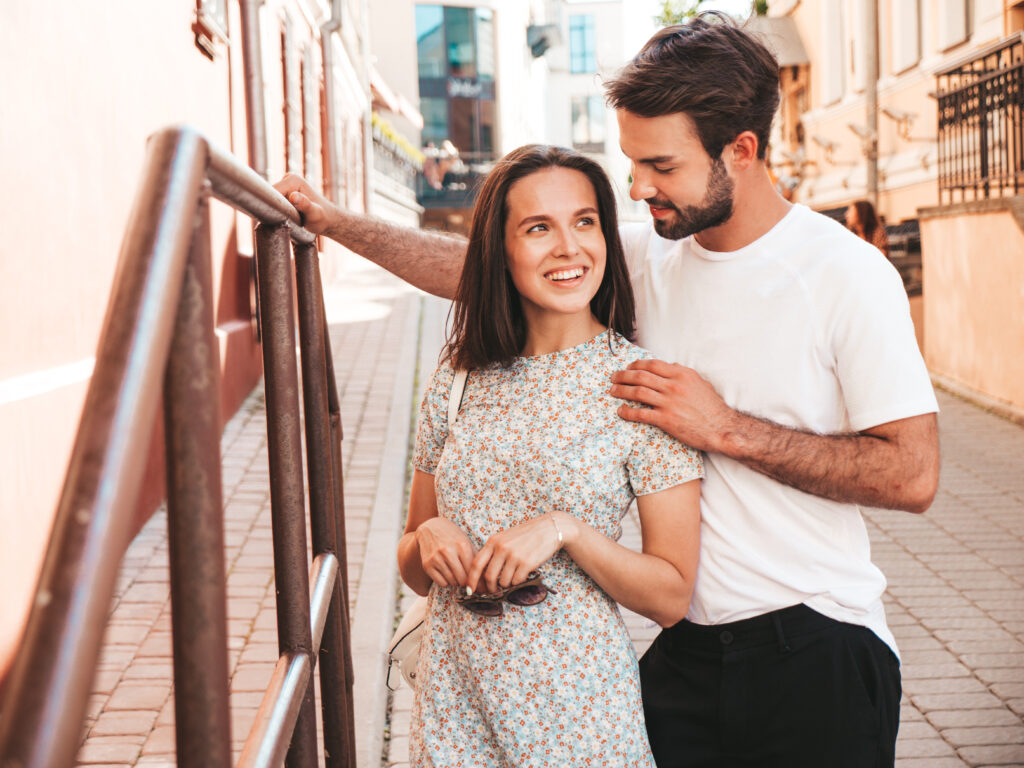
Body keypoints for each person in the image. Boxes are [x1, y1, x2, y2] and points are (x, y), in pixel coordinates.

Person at [275, 14, 940, 767]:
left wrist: (726, 429)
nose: (638, 187)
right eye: (631, 163)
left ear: (742, 151)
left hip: (817, 646)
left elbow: (913, 475)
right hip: (680, 652)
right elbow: (483, 266)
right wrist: (332, 222)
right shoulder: (650, 255)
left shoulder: (846, 275)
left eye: (660, 165)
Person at [396, 144, 703, 767]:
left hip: (581, 714)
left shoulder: (639, 385)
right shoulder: (458, 376)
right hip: (456, 707)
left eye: (585, 221)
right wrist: (428, 535)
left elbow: (671, 596)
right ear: (500, 249)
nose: (568, 248)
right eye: (539, 228)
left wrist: (566, 532)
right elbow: (411, 565)